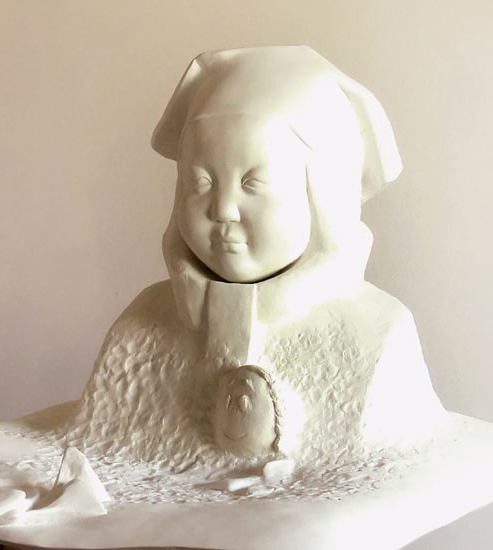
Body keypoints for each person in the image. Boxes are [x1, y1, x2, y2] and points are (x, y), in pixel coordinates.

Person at [64, 47, 446, 472]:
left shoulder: (377, 335)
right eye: (200, 182)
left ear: (322, 196)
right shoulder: (141, 324)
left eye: (252, 183)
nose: (223, 209)